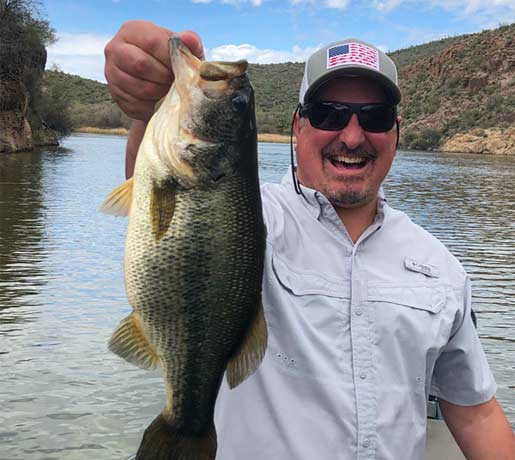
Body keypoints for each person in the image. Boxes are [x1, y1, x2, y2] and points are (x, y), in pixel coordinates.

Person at [104, 20, 515, 460]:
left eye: (374, 117)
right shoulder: (252, 217)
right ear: (298, 126)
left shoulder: (441, 266)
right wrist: (145, 110)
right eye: (329, 114)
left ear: (396, 132)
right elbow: (166, 211)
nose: (353, 136)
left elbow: (475, 413)